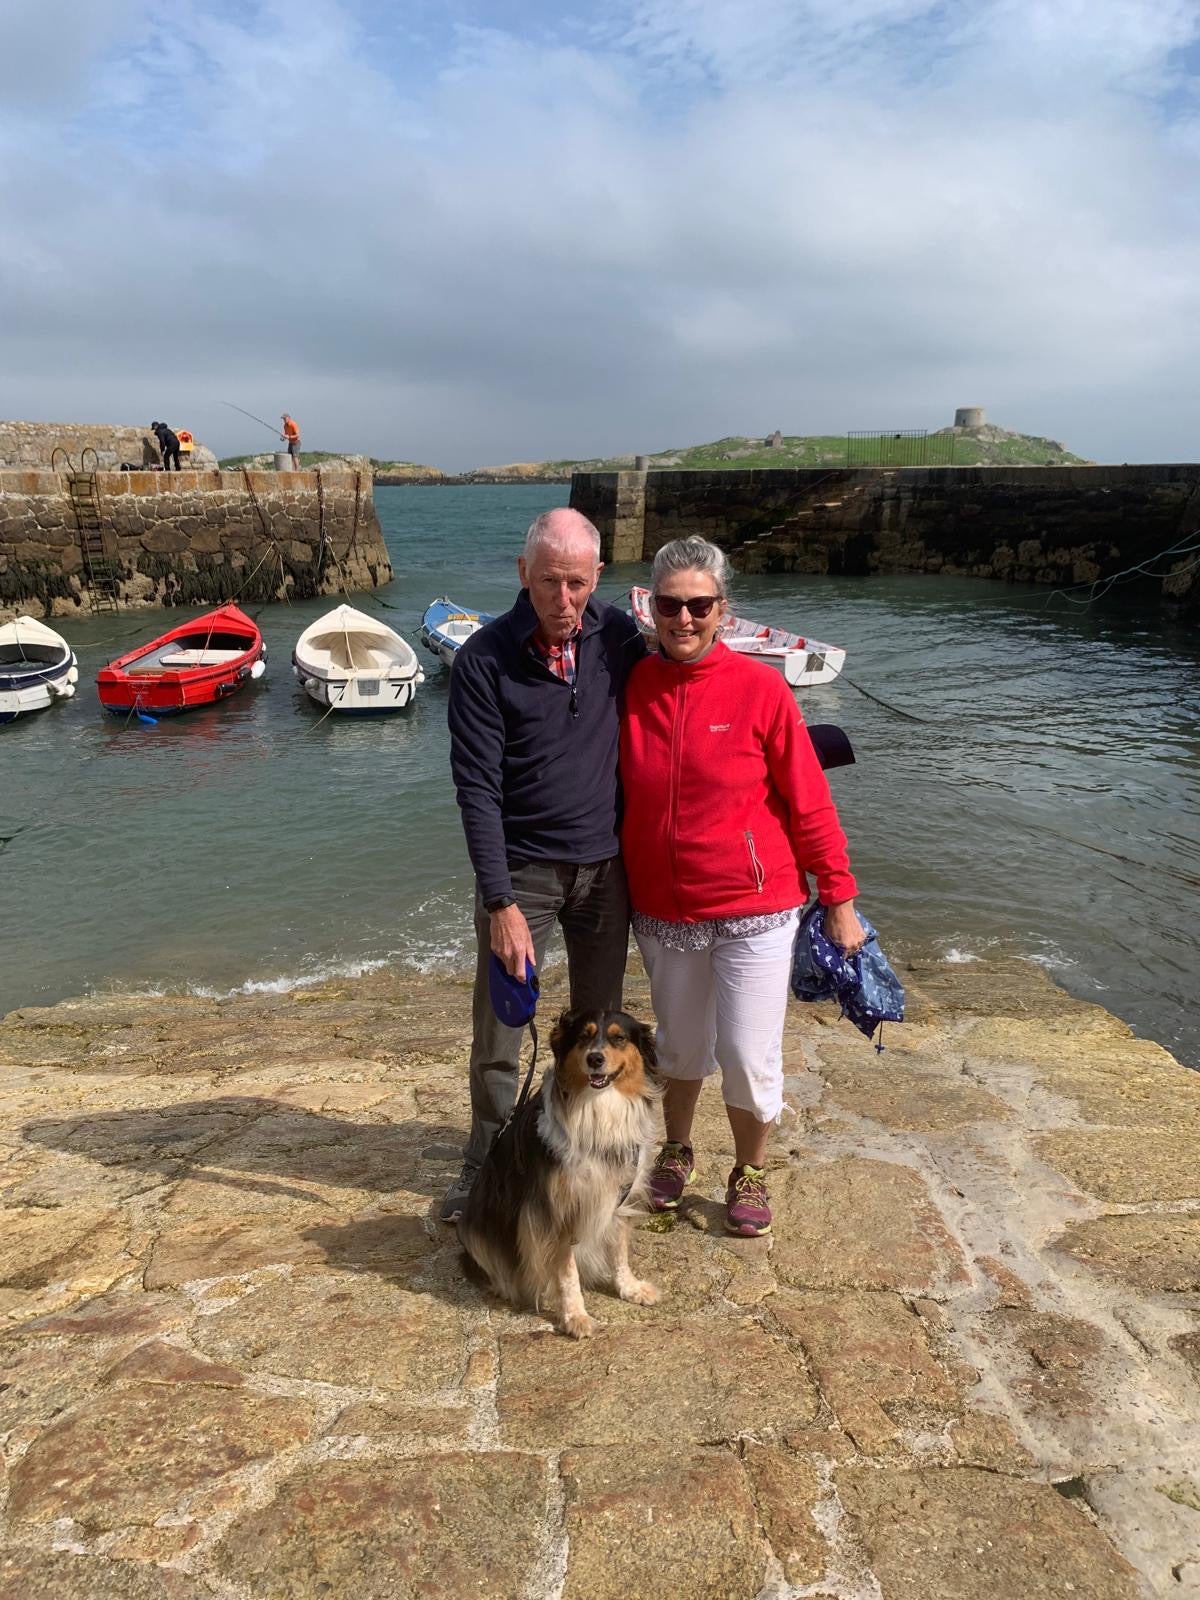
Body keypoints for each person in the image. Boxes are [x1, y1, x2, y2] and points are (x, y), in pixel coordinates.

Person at [619, 536, 867, 1238]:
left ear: (724, 610)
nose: (685, 618)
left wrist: (839, 895)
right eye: (671, 604)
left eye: (700, 604)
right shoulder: (634, 686)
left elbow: (809, 799)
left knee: (749, 1055)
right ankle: (678, 1149)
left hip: (755, 909)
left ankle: (749, 1169)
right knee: (680, 1048)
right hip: (663, 910)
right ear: (652, 608)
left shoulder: (761, 689)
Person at [442, 507, 646, 1221]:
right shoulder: (483, 662)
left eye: (579, 585)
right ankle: (485, 1167)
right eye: (551, 582)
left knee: (598, 1031)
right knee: (501, 1033)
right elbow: (477, 789)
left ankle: (591, 1160)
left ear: (597, 579)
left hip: (605, 873)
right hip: (521, 874)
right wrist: (498, 902)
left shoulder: (616, 635)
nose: (565, 602)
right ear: (523, 574)